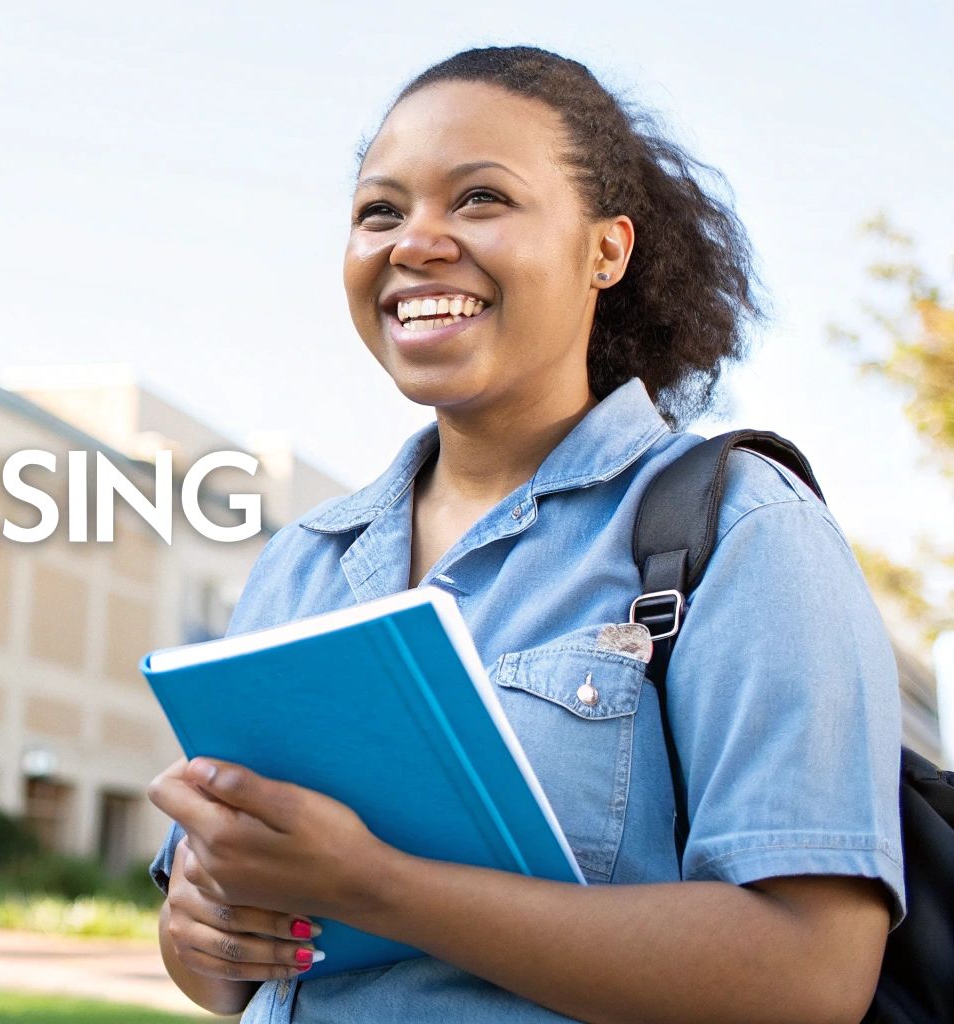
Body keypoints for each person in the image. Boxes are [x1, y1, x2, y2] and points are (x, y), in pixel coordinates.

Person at [144, 45, 905, 1024]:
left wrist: (378, 886)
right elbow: (224, 969)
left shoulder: (741, 529)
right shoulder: (304, 561)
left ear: (605, 251)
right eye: (379, 211)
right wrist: (198, 929)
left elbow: (807, 977)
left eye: (478, 200)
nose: (412, 242)